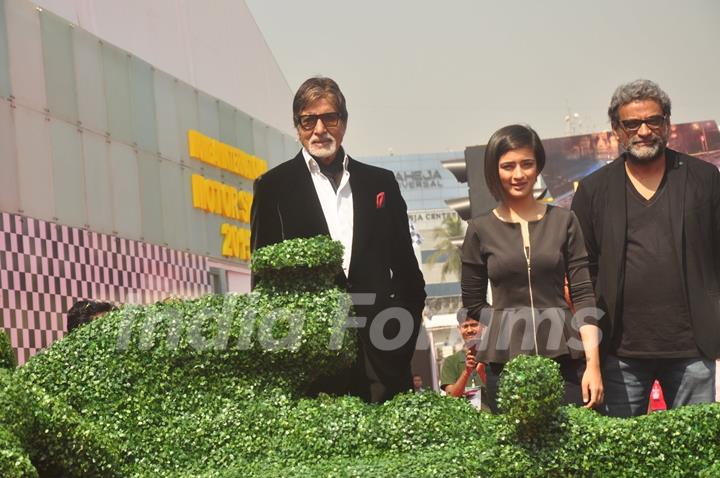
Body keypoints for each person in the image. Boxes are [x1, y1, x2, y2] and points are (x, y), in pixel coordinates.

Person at [250, 76, 426, 403]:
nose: (319, 129)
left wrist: (400, 342)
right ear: (297, 126)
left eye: (329, 117)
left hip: (383, 358)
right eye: (308, 120)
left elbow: (408, 275)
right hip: (312, 364)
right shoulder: (273, 188)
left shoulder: (380, 183)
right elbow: (263, 284)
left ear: (343, 122)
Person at [571, 79, 720, 417]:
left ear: (667, 123)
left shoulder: (703, 178)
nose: (644, 131)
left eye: (653, 120)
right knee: (620, 460)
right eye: (632, 123)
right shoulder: (594, 191)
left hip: (692, 348)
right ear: (616, 129)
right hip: (619, 352)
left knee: (693, 456)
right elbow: (583, 270)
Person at [461, 124, 603, 413]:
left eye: (527, 164)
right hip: (506, 361)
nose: (518, 174)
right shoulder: (479, 229)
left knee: (572, 449)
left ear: (538, 167)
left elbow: (584, 295)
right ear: (494, 170)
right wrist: (508, 323)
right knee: (516, 454)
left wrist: (593, 365)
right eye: (508, 166)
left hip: (566, 355)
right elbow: (473, 302)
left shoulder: (565, 221)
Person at [439, 312, 489, 411]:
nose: (469, 330)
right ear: (459, 329)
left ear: (483, 326)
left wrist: (483, 371)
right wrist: (466, 372)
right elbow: (451, 397)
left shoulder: (493, 357)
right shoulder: (451, 362)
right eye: (465, 326)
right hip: (466, 423)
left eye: (474, 325)